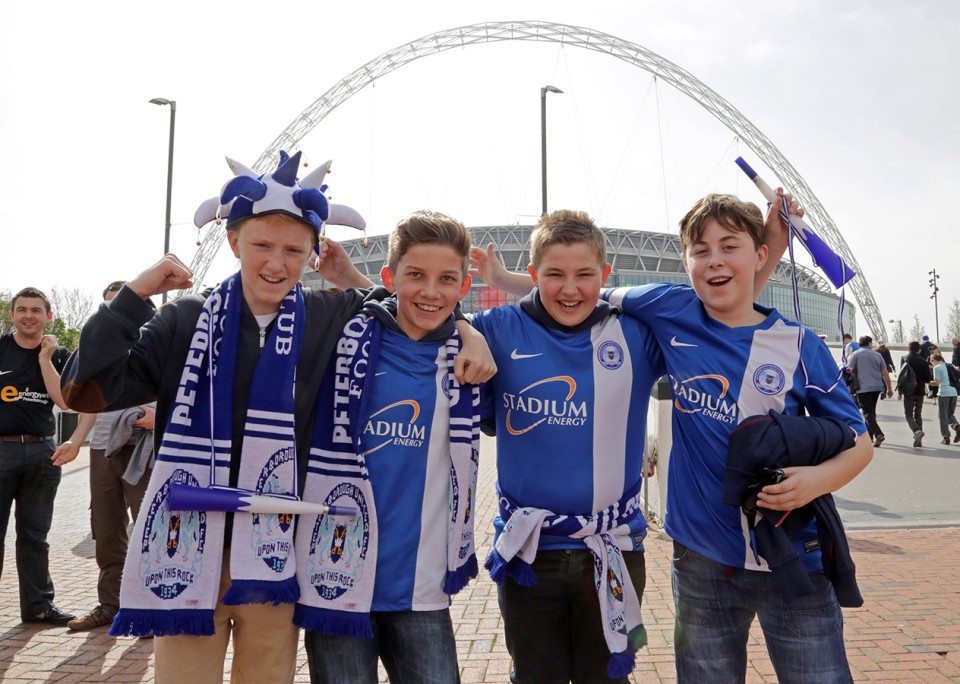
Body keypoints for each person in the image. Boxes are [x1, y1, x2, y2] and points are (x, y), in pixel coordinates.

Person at [61, 152, 493, 684]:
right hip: (188, 549)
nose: (276, 263)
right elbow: (85, 393)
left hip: (278, 557)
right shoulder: (184, 321)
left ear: (313, 253)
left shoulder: (328, 317)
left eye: (294, 249)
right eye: (262, 245)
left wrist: (470, 333)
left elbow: (421, 302)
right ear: (234, 242)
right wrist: (132, 297)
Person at [479, 193, 870, 682]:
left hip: (792, 556)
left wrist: (816, 481)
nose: (714, 260)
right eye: (700, 251)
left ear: (760, 256)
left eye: (730, 247)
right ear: (685, 262)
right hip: (701, 560)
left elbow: (860, 440)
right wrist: (500, 285)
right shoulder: (669, 309)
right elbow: (577, 289)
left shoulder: (797, 344)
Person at [299, 211, 481, 684]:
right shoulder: (343, 338)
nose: (430, 291)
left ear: (464, 286)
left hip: (419, 587)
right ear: (389, 277)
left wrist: (470, 331)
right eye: (415, 275)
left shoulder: (468, 361)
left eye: (447, 279)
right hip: (333, 578)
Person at [67, 280, 157, 632]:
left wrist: (159, 415)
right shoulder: (96, 351)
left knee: (150, 529)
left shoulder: (156, 343)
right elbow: (84, 402)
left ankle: (149, 610)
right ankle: (110, 605)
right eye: (110, 307)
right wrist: (76, 441)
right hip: (104, 447)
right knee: (106, 531)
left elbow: (185, 391)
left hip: (143, 446)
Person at [1, 287, 92, 625]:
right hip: (1, 449)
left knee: (34, 536)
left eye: (36, 310)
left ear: (48, 316)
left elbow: (67, 402)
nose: (28, 316)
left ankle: (38, 607)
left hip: (42, 452)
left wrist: (43, 360)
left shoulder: (59, 354)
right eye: (22, 309)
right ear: (12, 314)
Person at [847, 336, 893, 447]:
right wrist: (889, 388)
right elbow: (885, 372)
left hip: (863, 388)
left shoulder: (855, 355)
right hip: (877, 387)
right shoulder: (877, 355)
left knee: (867, 413)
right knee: (871, 413)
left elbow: (849, 370)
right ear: (869, 343)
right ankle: (870, 438)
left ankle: (878, 434)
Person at [899, 341, 932, 447]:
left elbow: (901, 377)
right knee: (918, 414)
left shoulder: (905, 358)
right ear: (919, 350)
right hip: (920, 391)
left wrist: (900, 391)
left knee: (908, 414)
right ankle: (919, 441)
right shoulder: (923, 361)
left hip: (909, 391)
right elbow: (928, 379)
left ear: (909, 349)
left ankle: (917, 431)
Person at [929, 352, 960, 445]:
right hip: (954, 392)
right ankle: (956, 425)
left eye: (931, 361)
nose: (931, 364)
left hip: (944, 392)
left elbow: (937, 382)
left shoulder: (937, 368)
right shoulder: (950, 366)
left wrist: (926, 382)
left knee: (942, 416)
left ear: (934, 360)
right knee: (949, 413)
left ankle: (946, 437)